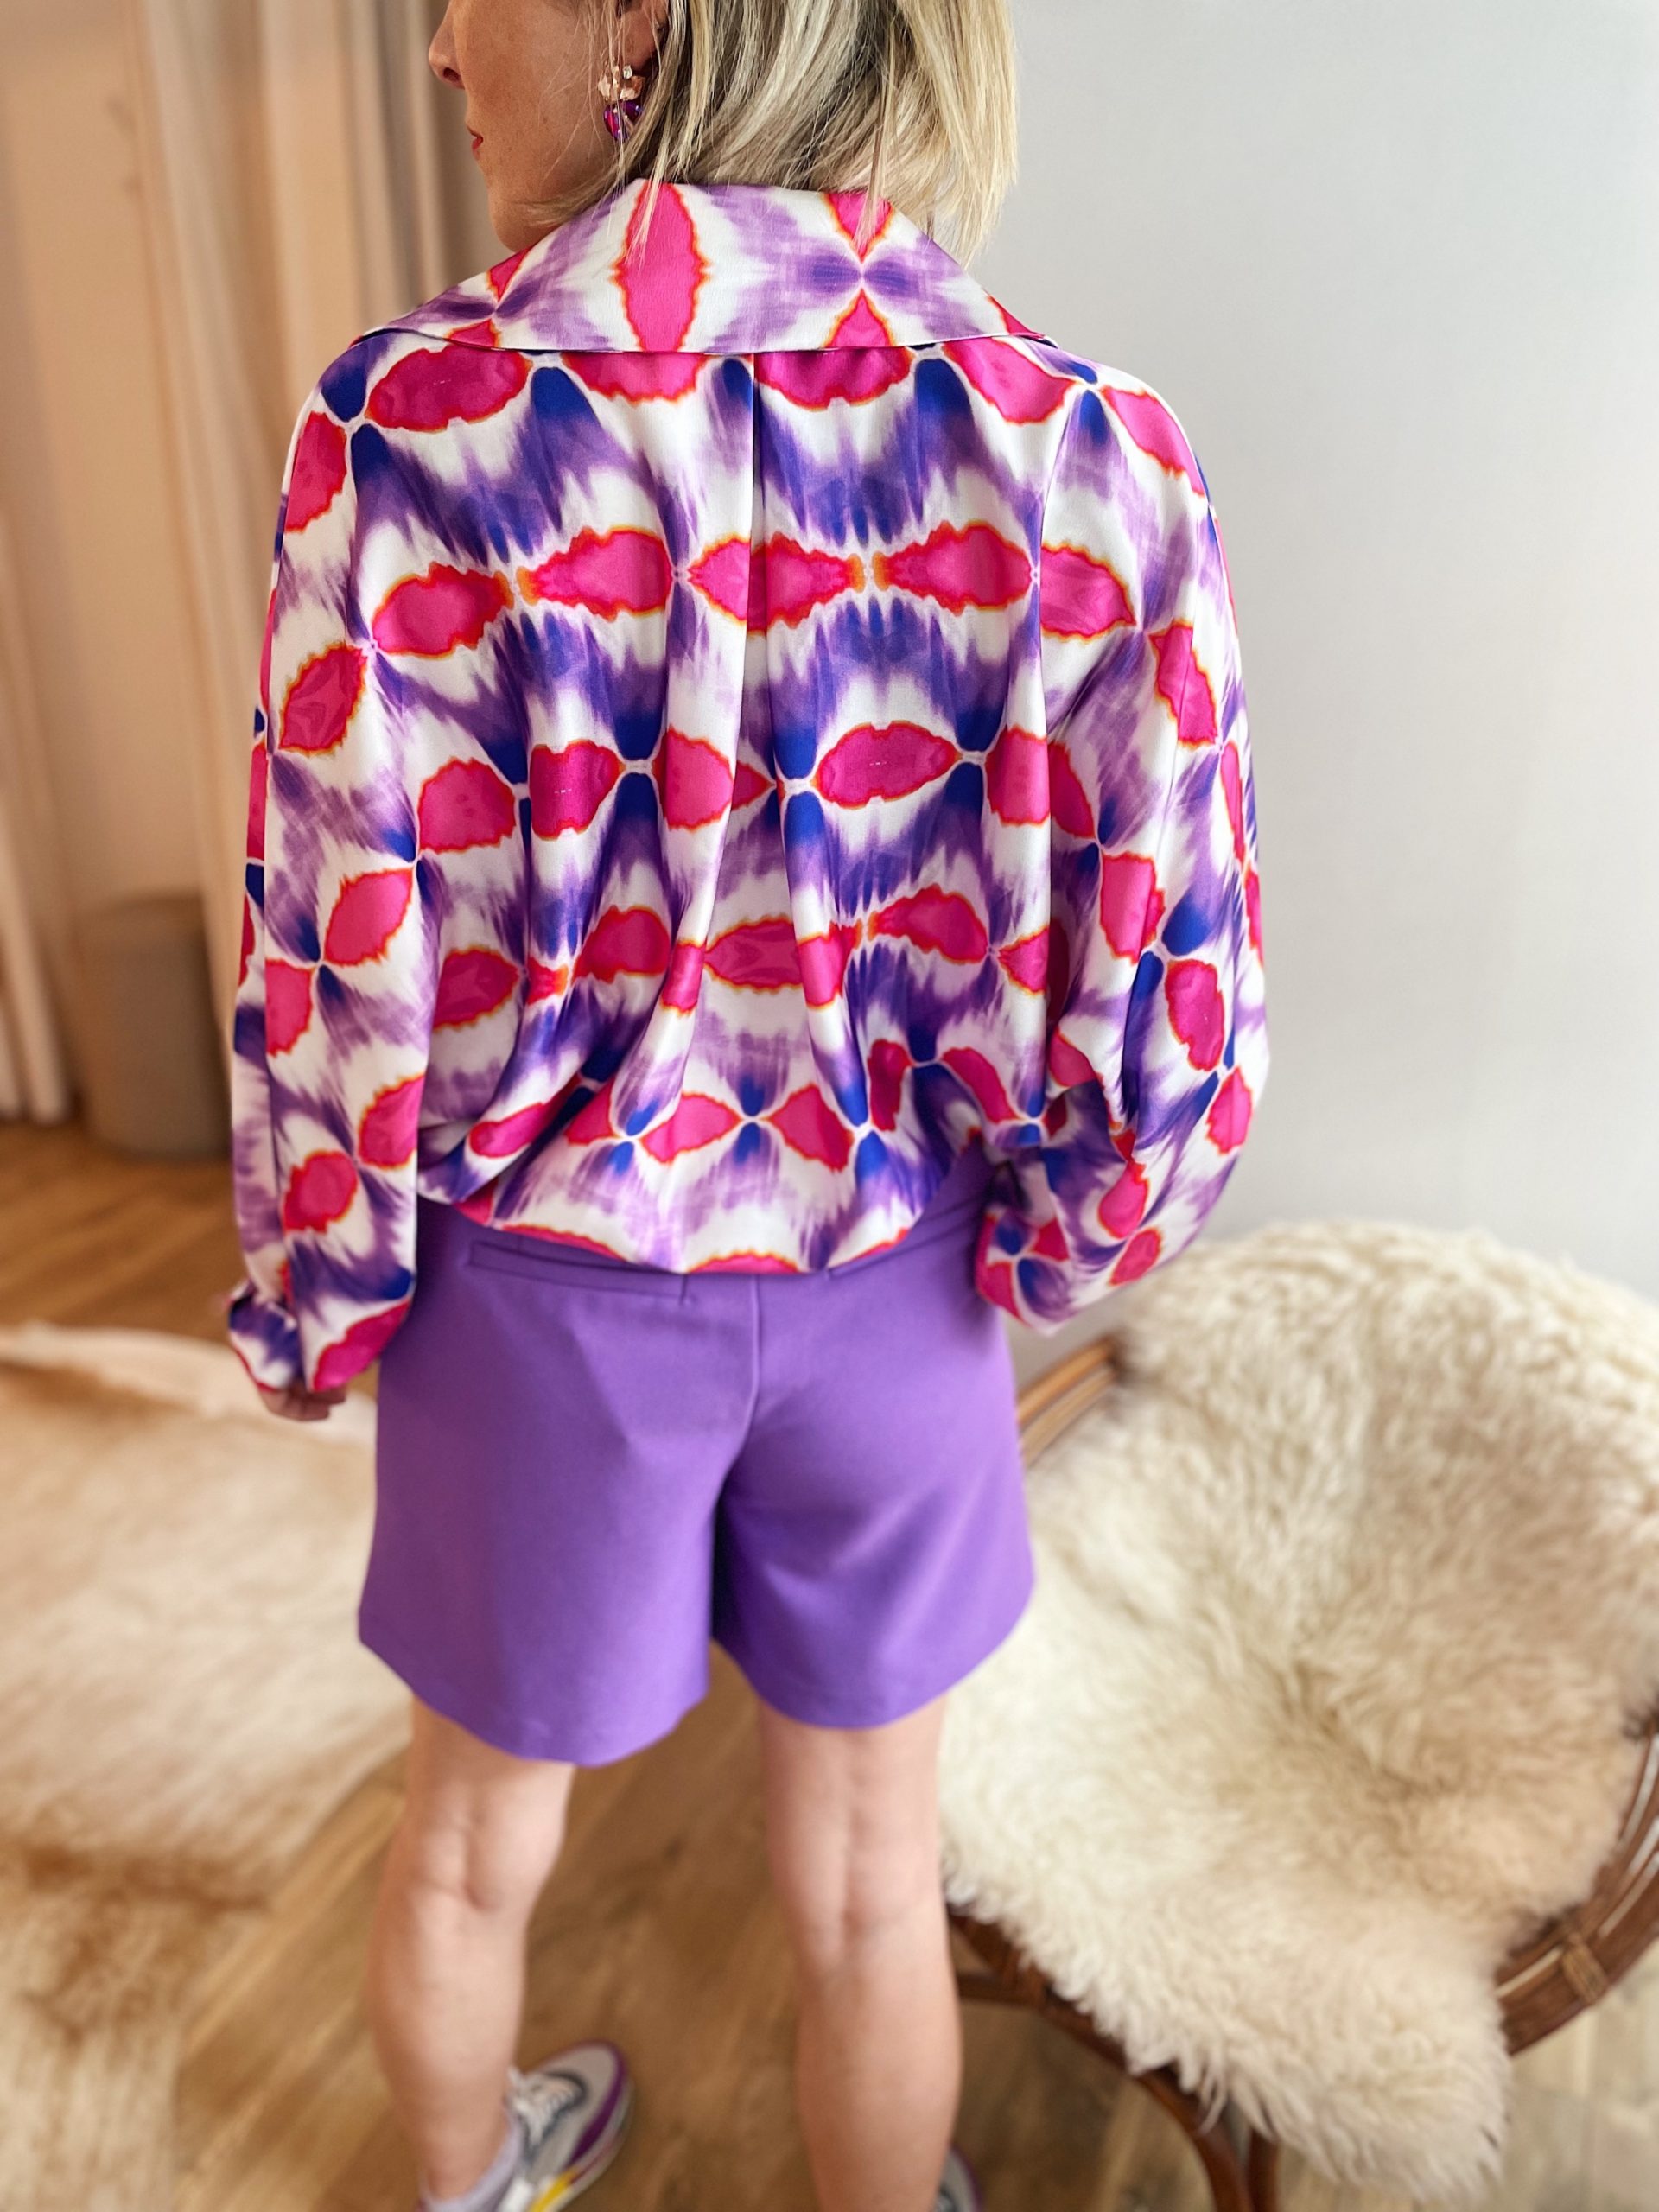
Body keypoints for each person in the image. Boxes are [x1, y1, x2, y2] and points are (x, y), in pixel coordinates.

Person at [222, 0, 1269, 2207]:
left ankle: (467, 2186)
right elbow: (1174, 983)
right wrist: (1056, 1244)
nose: (438, 50)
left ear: (636, 17)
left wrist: (322, 1294)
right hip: (897, 1276)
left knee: (467, 1848)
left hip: (541, 1299)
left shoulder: (410, 435)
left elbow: (336, 959)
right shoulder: (1089, 447)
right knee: (878, 1879)